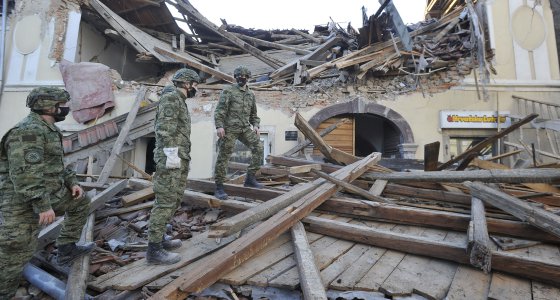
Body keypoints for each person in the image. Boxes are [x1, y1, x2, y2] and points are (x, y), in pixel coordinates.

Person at [0, 87, 93, 299]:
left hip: (49, 193)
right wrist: (42, 206)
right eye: (62, 105)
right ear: (48, 106)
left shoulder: (49, 129)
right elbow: (26, 176)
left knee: (80, 202)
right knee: (16, 250)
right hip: (20, 201)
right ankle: (4, 291)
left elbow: (56, 165)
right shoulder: (27, 132)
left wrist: (72, 182)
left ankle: (66, 249)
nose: (66, 109)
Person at [146, 68, 199, 265]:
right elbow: (164, 130)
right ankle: (154, 251)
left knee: (174, 199)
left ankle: (159, 239)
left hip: (178, 158)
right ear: (186, 84)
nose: (195, 89)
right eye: (195, 85)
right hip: (171, 159)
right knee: (165, 201)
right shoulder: (171, 99)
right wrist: (171, 156)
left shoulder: (179, 100)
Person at [214, 66, 264, 200]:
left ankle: (250, 178)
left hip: (244, 128)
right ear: (236, 77)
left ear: (248, 78)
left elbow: (254, 114)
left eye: (245, 77)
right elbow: (220, 111)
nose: (242, 79)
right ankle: (219, 187)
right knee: (224, 156)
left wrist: (256, 125)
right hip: (229, 129)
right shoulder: (228, 91)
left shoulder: (250, 94)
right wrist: (219, 126)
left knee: (258, 147)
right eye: (240, 77)